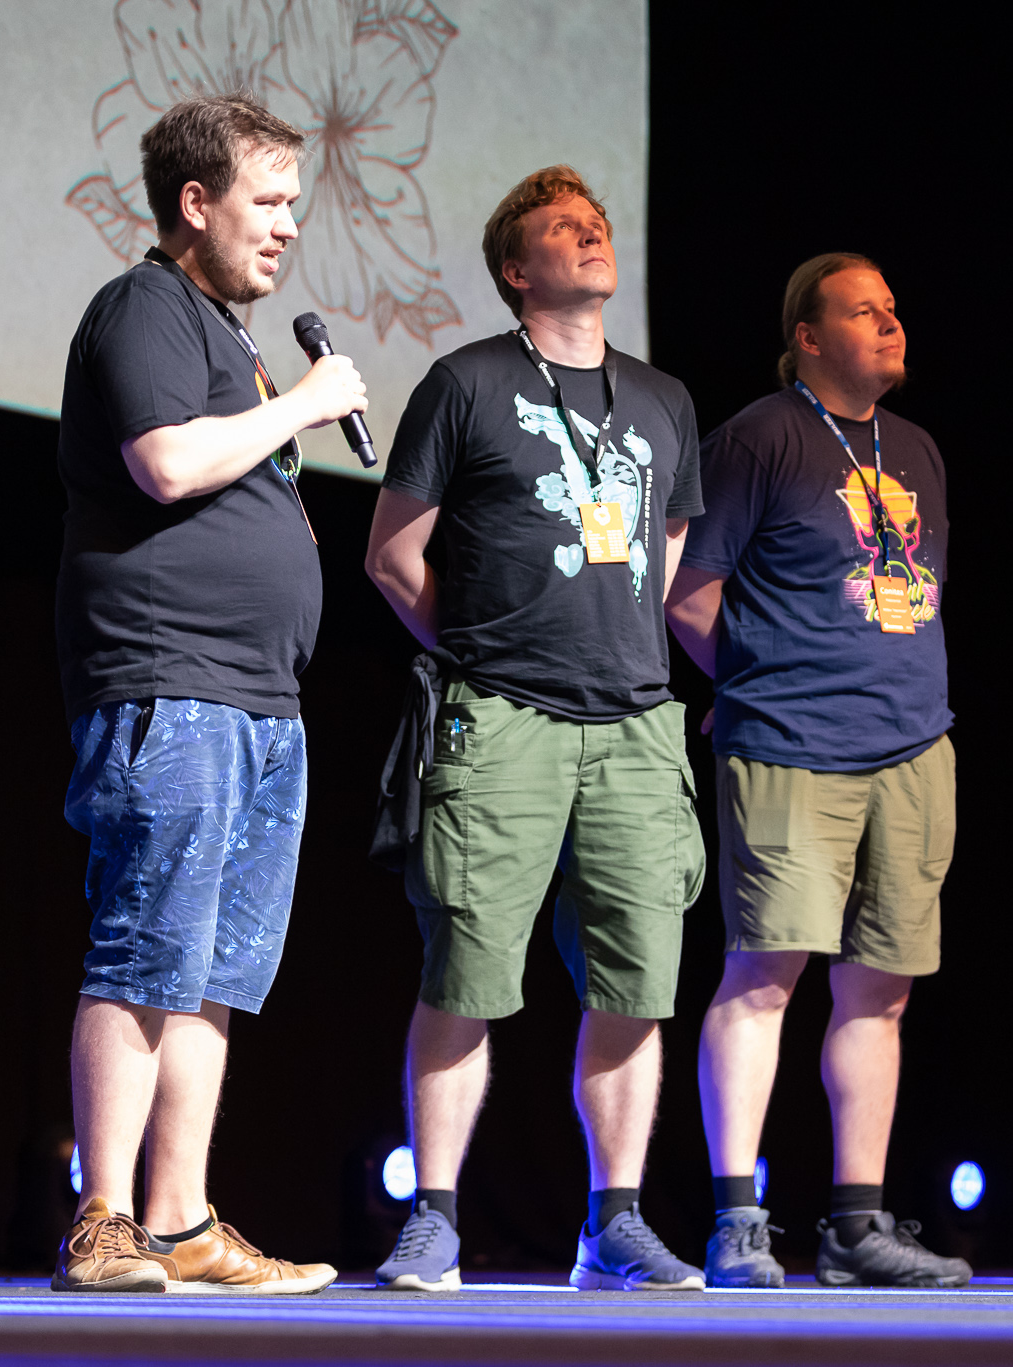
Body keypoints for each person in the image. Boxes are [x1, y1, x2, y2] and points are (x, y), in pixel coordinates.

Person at [364, 166, 709, 1292]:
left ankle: (613, 1225)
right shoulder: (465, 382)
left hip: (636, 727)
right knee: (465, 968)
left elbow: (663, 554)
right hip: (501, 719)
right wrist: (480, 651)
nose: (591, 232)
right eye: (563, 226)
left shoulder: (661, 398)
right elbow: (391, 555)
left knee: (635, 979)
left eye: (595, 221)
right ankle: (433, 1218)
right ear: (517, 269)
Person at [49, 93, 368, 1294]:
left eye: (293, 203)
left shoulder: (224, 336)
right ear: (195, 202)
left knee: (215, 969)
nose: (286, 225)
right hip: (169, 680)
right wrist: (306, 402)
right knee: (146, 948)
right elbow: (166, 462)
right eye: (266, 201)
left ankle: (180, 1220)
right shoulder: (144, 306)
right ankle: (104, 1216)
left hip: (258, 701)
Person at [666, 253, 973, 1289]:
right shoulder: (760, 437)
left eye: (893, 308)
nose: (889, 322)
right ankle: (737, 1221)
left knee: (880, 992)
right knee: (765, 975)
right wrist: (756, 685)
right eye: (862, 310)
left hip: (913, 747)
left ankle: (854, 1225)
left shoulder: (917, 449)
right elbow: (687, 592)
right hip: (790, 747)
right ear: (806, 335)